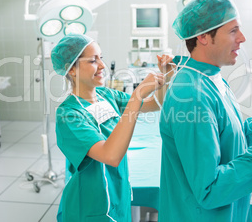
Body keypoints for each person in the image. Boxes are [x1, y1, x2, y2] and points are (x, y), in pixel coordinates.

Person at [158, 0, 252, 221]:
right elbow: (209, 189)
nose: (242, 38)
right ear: (203, 36)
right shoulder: (191, 95)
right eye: (233, 30)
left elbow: (228, 139)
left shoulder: (213, 79)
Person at [51, 34, 173, 222]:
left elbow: (154, 104)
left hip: (118, 193)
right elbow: (110, 156)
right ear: (72, 70)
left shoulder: (105, 94)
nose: (102, 66)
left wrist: (165, 77)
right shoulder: (69, 114)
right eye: (93, 60)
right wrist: (137, 94)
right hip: (90, 206)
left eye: (101, 57)